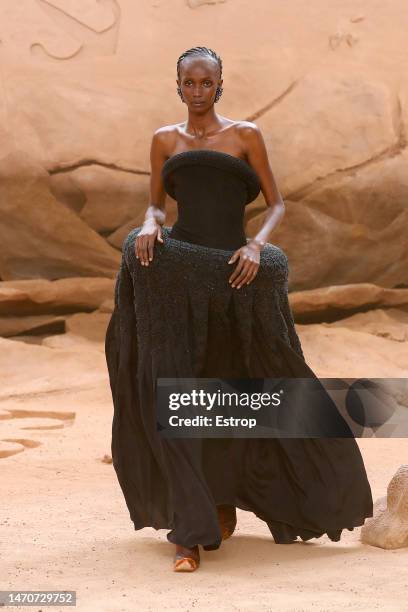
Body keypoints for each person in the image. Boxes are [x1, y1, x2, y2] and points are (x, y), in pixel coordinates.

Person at [104, 46, 373, 572]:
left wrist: (255, 247)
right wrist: (150, 224)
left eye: (207, 83)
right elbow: (156, 202)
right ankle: (190, 535)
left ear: (220, 85)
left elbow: (277, 204)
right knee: (176, 391)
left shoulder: (247, 135)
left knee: (237, 386)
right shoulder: (163, 139)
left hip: (234, 272)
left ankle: (228, 500)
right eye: (189, 83)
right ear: (177, 85)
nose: (198, 91)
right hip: (179, 273)